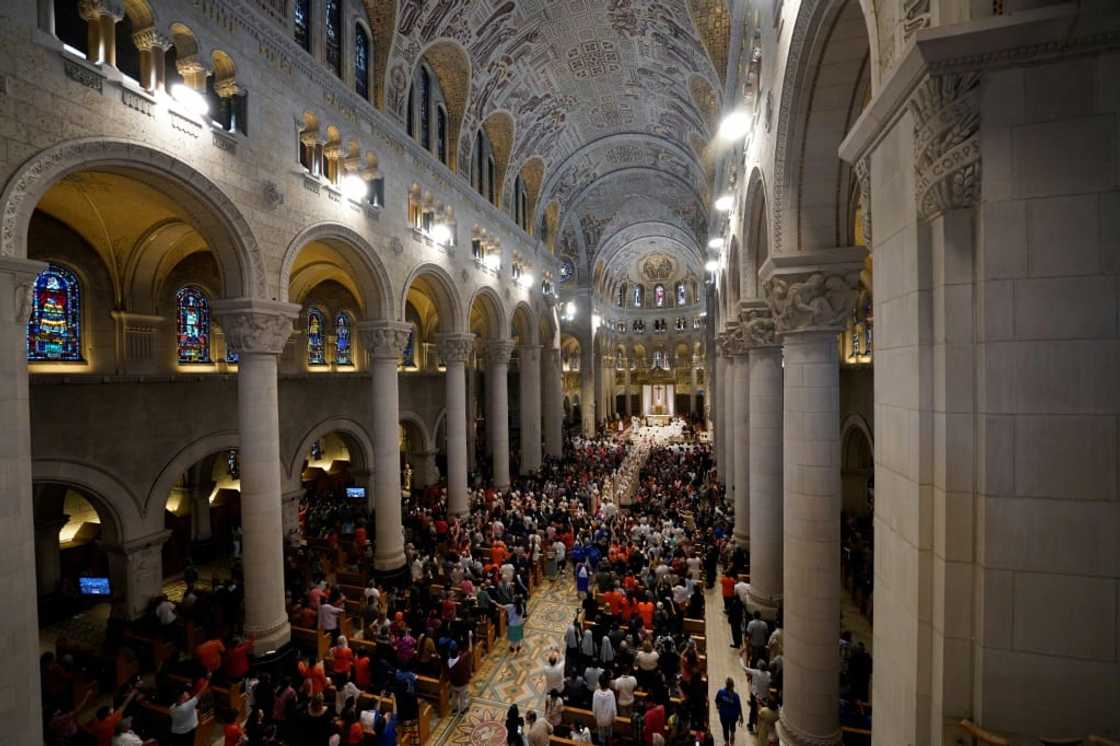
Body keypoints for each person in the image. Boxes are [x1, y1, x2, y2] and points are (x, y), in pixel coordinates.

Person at [169, 679, 208, 746]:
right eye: (185, 693)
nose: (187, 693)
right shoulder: (186, 707)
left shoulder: (172, 707)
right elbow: (200, 694)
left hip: (176, 732)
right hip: (187, 731)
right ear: (181, 697)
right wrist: (207, 681)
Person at [741, 660, 771, 732]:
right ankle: (758, 725)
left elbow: (744, 668)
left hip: (755, 695)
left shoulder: (756, 672)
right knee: (762, 711)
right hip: (764, 697)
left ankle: (750, 725)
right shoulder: (769, 674)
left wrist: (740, 658)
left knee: (753, 710)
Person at [714, 678, 743, 746]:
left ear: (726, 685)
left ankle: (727, 743)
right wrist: (741, 716)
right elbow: (739, 707)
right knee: (732, 727)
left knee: (725, 729)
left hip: (724, 716)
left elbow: (717, 700)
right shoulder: (736, 696)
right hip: (733, 716)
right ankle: (732, 736)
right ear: (733, 686)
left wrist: (718, 707)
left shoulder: (721, 692)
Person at [591, 673, 617, 746]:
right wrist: (614, 718)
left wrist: (595, 716)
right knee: (609, 735)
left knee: (601, 736)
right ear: (608, 683)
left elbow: (594, 707)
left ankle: (602, 743)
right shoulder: (611, 693)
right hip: (609, 719)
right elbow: (613, 708)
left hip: (600, 719)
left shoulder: (596, 693)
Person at [448, 642, 472, 715]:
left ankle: (454, 709)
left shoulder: (448, 661)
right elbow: (469, 652)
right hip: (462, 683)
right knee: (463, 696)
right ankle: (463, 709)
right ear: (458, 652)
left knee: (454, 696)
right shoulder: (461, 660)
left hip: (453, 682)